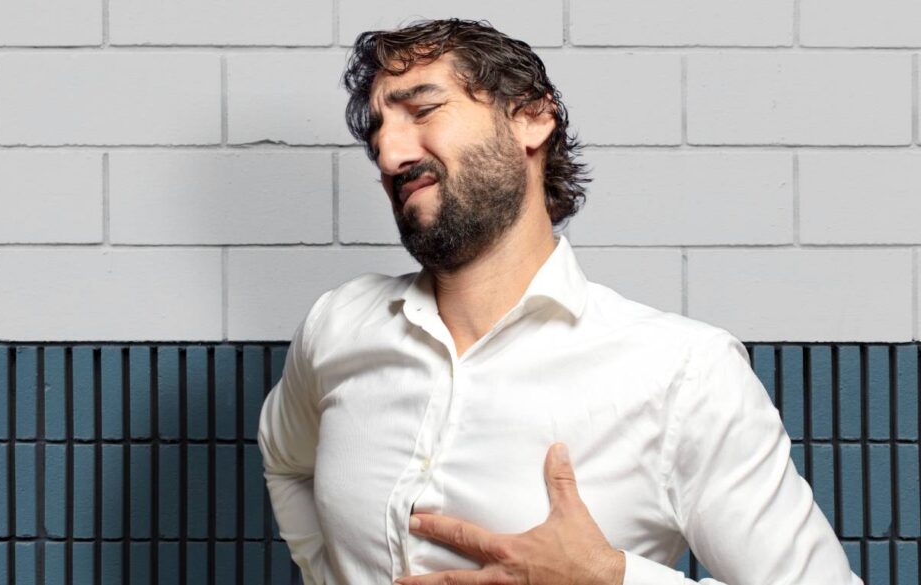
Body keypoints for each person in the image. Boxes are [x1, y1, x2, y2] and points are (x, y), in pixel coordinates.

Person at [258, 18, 864, 585]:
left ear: (531, 117)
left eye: (422, 110)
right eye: (377, 135)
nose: (391, 156)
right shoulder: (339, 327)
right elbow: (286, 461)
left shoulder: (684, 375)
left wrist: (613, 576)